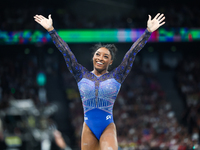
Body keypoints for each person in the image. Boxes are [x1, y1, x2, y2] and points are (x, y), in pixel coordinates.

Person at [34, 13, 165, 150]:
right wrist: (51, 30)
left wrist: (148, 32)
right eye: (97, 54)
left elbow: (132, 53)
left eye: (105, 56)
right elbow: (66, 51)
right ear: (93, 58)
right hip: (88, 128)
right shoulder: (81, 74)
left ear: (111, 61)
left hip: (107, 126)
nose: (100, 58)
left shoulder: (117, 75)